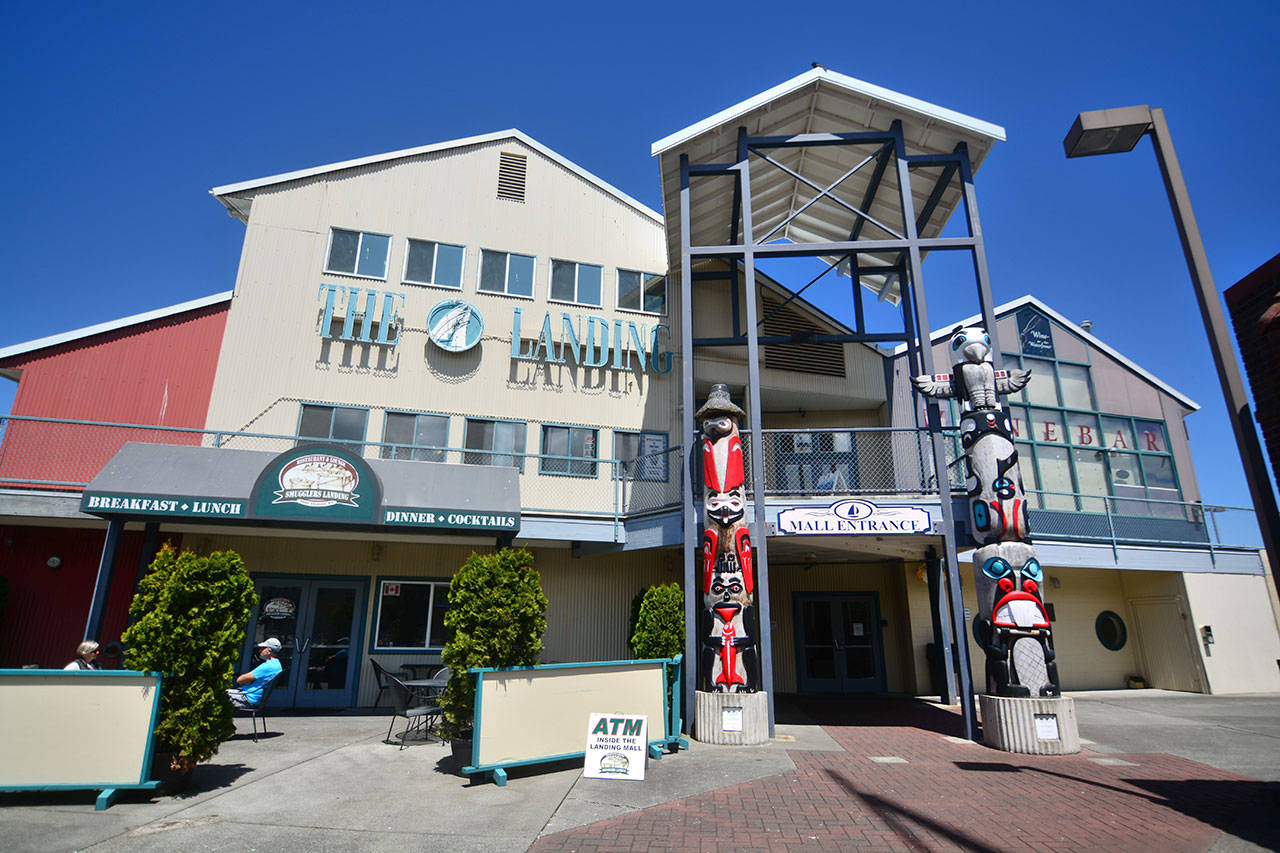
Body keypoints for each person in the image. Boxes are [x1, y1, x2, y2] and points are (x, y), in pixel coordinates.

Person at [226, 638, 283, 709]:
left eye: (262, 648)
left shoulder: (267, 666)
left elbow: (239, 680)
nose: (259, 651)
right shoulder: (277, 665)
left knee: (217, 695)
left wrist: (247, 681)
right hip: (255, 698)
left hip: (247, 698)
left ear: (269, 651)